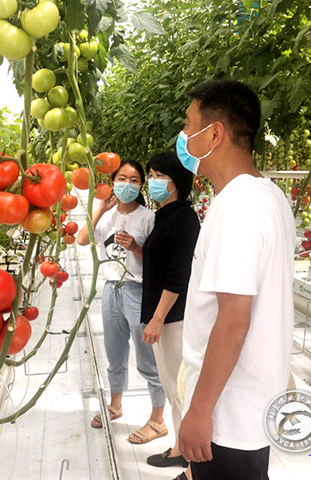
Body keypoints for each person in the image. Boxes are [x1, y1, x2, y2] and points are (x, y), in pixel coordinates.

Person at [176, 80, 296, 480]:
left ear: (214, 134)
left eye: (188, 124)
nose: (183, 136)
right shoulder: (268, 196)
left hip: (228, 415)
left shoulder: (238, 208)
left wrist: (199, 412)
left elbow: (233, 320)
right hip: (252, 403)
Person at [77, 160, 168, 445]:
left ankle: (158, 419)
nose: (127, 185)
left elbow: (159, 261)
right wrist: (101, 208)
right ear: (113, 182)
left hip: (137, 291)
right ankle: (115, 405)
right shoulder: (107, 216)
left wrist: (136, 247)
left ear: (141, 186)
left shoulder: (149, 217)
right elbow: (82, 239)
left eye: (134, 180)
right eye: (121, 179)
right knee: (114, 353)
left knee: (148, 358)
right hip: (111, 290)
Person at [140, 152, 200, 477]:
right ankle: (181, 448)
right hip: (164, 316)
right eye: (150, 175)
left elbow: (179, 274)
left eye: (159, 175)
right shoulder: (164, 215)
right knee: (172, 388)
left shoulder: (185, 219)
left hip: (174, 319)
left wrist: (158, 318)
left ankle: (193, 465)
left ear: (177, 182)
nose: (152, 181)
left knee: (182, 390)